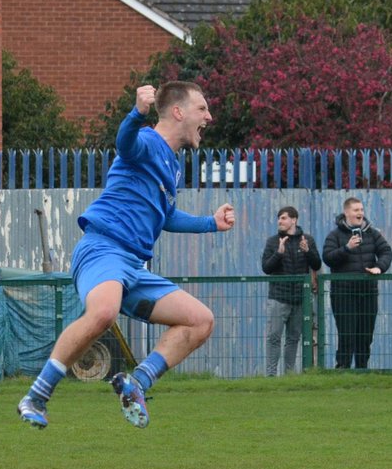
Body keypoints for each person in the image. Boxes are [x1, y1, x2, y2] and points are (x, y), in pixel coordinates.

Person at [17, 81, 235, 430]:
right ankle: (36, 396)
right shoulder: (147, 141)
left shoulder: (173, 166)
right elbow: (124, 143)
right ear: (178, 112)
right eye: (202, 109)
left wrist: (211, 223)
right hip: (103, 248)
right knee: (103, 313)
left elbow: (165, 217)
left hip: (132, 266)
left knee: (201, 320)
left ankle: (137, 384)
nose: (209, 117)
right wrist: (137, 113)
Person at [322, 197, 392, 369]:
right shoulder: (335, 235)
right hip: (343, 293)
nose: (360, 213)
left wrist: (379, 268)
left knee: (365, 335)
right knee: (347, 334)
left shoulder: (372, 233)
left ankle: (362, 370)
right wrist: (347, 248)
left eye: (361, 209)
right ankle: (343, 369)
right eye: (356, 210)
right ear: (346, 213)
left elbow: (386, 252)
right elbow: (328, 258)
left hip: (368, 291)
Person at [261, 206, 321, 375]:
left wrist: (308, 251)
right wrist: (279, 253)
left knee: (293, 339)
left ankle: (289, 375)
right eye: (279, 218)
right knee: (274, 338)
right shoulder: (273, 241)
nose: (280, 221)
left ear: (294, 220)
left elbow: (317, 264)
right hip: (278, 298)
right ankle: (271, 376)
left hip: (300, 299)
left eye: (284, 218)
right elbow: (266, 268)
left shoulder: (307, 239)